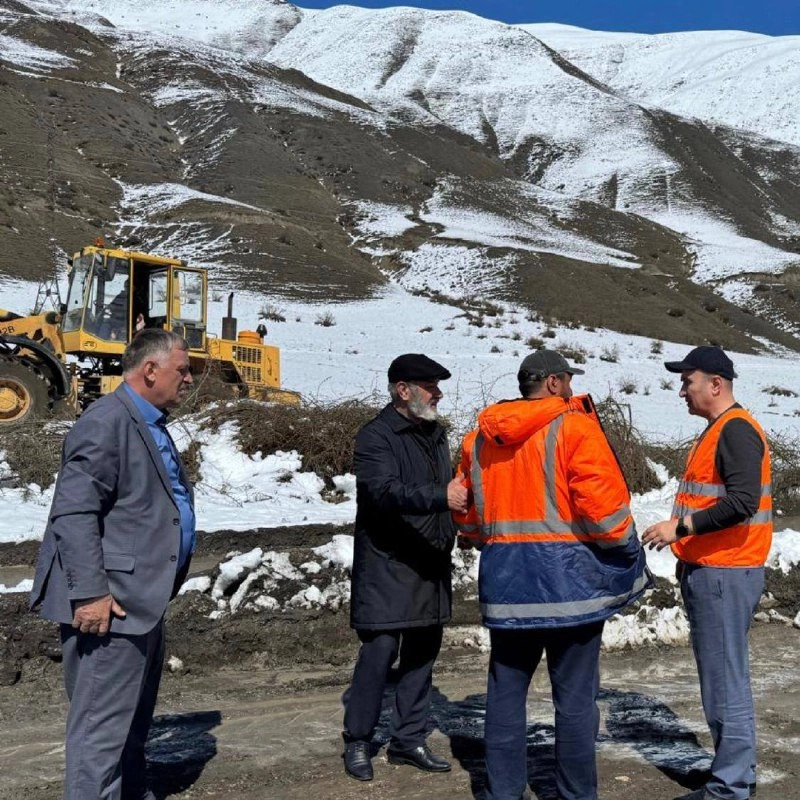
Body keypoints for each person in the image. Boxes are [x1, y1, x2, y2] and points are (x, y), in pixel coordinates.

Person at [455, 349, 649, 800]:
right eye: (568, 380)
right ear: (555, 384)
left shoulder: (478, 440)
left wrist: (489, 542)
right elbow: (606, 516)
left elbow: (468, 515)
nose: (572, 388)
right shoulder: (575, 428)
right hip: (570, 589)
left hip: (507, 588)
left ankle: (503, 792)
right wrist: (627, 550)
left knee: (505, 697)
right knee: (576, 701)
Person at [30, 329, 195, 800]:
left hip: (141, 599)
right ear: (150, 370)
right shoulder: (106, 422)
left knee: (131, 727)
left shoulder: (149, 421)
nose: (188, 379)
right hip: (110, 606)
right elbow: (74, 513)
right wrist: (90, 593)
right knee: (100, 735)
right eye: (182, 370)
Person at [643, 346, 771, 800]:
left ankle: (730, 785)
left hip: (725, 573)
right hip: (719, 570)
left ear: (716, 384)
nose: (682, 391)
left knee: (724, 682)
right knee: (725, 677)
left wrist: (680, 528)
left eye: (688, 381)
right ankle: (735, 773)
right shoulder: (721, 429)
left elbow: (742, 502)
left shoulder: (735, 430)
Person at [341, 353, 469, 782]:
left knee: (422, 656)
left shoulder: (435, 434)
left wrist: (460, 524)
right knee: (379, 655)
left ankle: (408, 740)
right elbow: (383, 492)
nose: (438, 394)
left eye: (437, 386)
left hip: (430, 560)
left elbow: (448, 489)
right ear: (403, 390)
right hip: (388, 563)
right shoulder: (375, 436)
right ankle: (358, 741)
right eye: (430, 386)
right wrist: (441, 498)